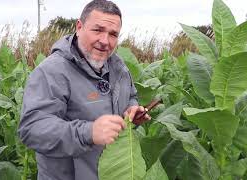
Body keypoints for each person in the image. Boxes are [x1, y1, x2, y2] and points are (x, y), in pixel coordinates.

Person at [18, 0, 150, 179]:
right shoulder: (53, 71)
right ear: (79, 27)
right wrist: (88, 132)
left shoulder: (118, 67)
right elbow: (32, 129)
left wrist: (131, 110)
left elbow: (131, 96)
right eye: (98, 30)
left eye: (113, 34)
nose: (105, 41)